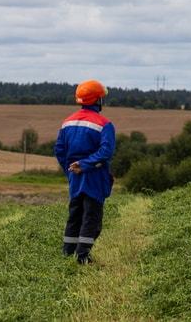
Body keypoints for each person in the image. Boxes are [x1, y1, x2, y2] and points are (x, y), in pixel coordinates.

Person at [54, 79, 116, 264]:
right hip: (94, 176)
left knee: (75, 214)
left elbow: (59, 150)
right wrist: (86, 164)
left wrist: (71, 170)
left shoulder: (67, 122)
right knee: (92, 218)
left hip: (75, 176)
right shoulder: (105, 124)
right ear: (97, 100)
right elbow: (106, 152)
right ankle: (82, 258)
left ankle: (67, 254)